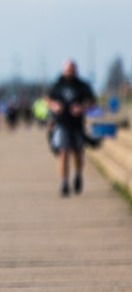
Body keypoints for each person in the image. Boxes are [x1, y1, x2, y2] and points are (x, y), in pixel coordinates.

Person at [47, 59, 96, 196]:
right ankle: (64, 183)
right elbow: (48, 100)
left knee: (78, 153)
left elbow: (92, 102)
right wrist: (54, 106)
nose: (70, 72)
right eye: (68, 69)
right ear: (64, 70)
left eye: (72, 69)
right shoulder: (57, 84)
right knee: (63, 153)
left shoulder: (82, 85)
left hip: (77, 124)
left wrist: (82, 108)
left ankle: (78, 175)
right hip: (62, 123)